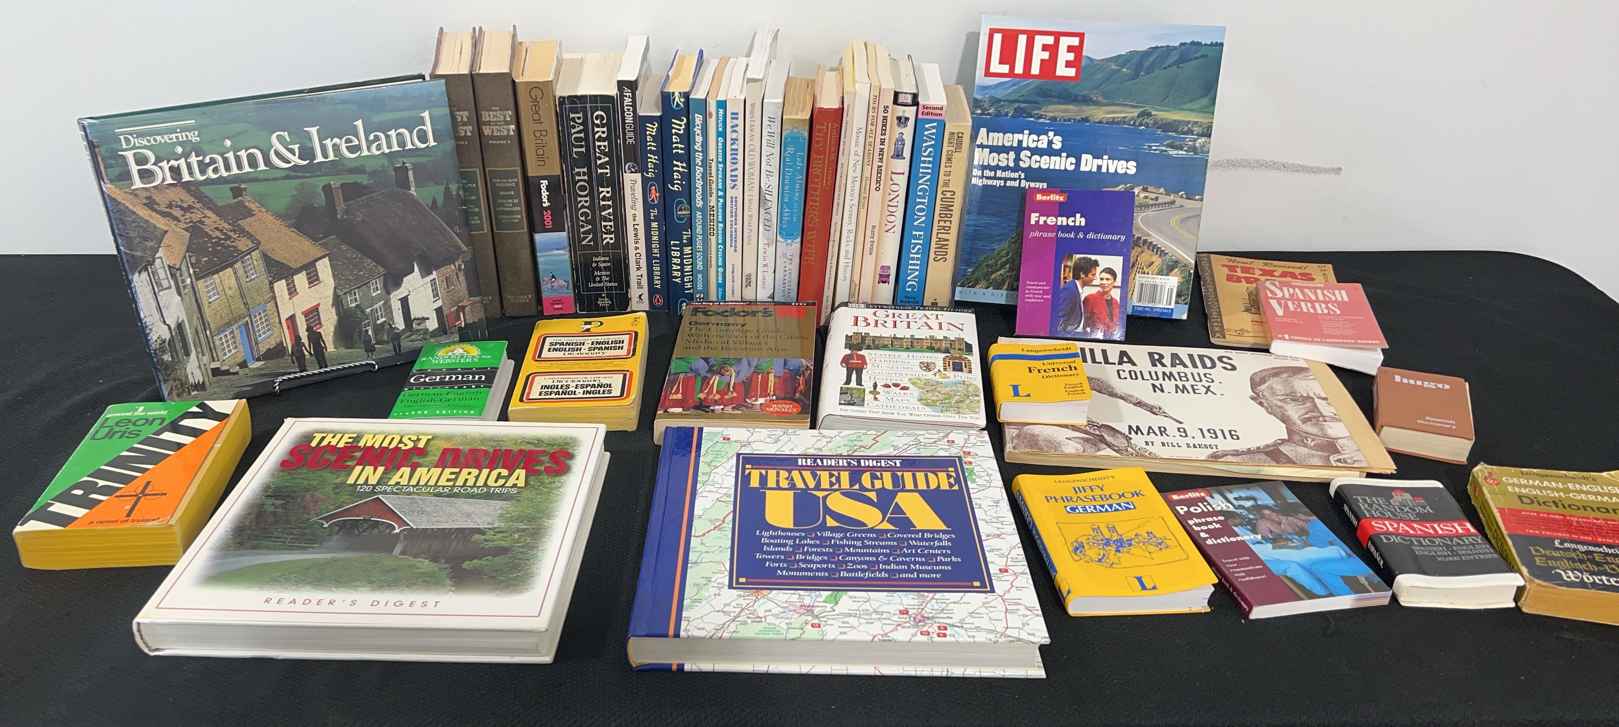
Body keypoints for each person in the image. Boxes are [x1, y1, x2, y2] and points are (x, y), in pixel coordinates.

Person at [1209, 366, 1367, 467]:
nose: (1320, 409)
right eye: (1296, 400)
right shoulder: (1239, 462)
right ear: (1263, 404)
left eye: (1329, 399)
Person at [1054, 256, 1099, 334]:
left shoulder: (1075, 288)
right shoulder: (1070, 290)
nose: (1095, 278)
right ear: (1082, 274)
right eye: (1093, 275)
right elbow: (1059, 320)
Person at [1082, 267, 1122, 339]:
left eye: (1107, 279)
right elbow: (1082, 324)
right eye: (1101, 279)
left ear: (1114, 282)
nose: (1104, 282)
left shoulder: (1116, 302)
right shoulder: (1090, 299)